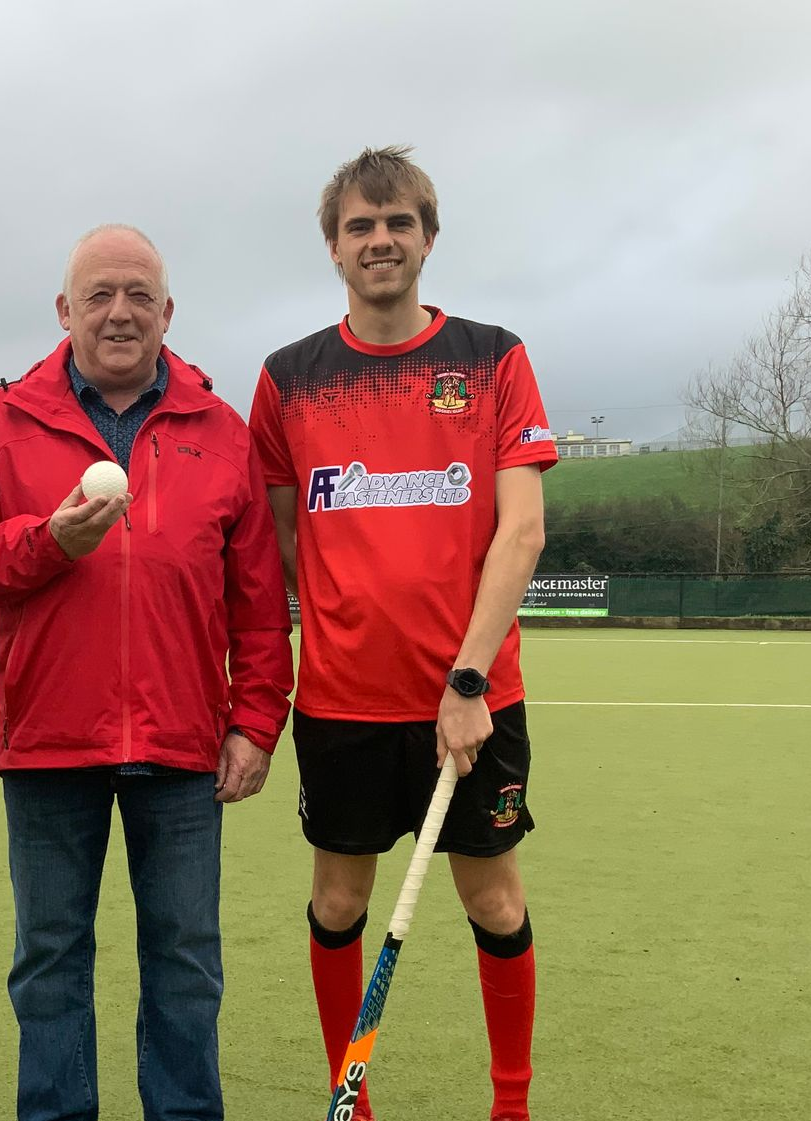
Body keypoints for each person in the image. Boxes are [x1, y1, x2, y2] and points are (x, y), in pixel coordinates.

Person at [0, 225, 294, 1121]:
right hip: (49, 740)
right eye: (99, 294)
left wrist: (255, 722)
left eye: (139, 295)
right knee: (50, 959)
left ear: (167, 312)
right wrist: (45, 543)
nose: (120, 312)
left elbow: (258, 602)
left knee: (185, 959)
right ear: (65, 310)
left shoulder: (222, 430)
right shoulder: (3, 419)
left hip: (182, 745)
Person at [248, 147, 556, 1121]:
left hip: (473, 701)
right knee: (339, 903)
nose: (379, 240)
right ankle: (355, 1099)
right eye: (360, 225)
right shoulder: (288, 379)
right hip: (341, 704)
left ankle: (511, 1104)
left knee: (492, 902)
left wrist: (465, 681)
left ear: (427, 237)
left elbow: (521, 529)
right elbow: (284, 538)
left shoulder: (492, 357)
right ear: (334, 246)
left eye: (397, 223)